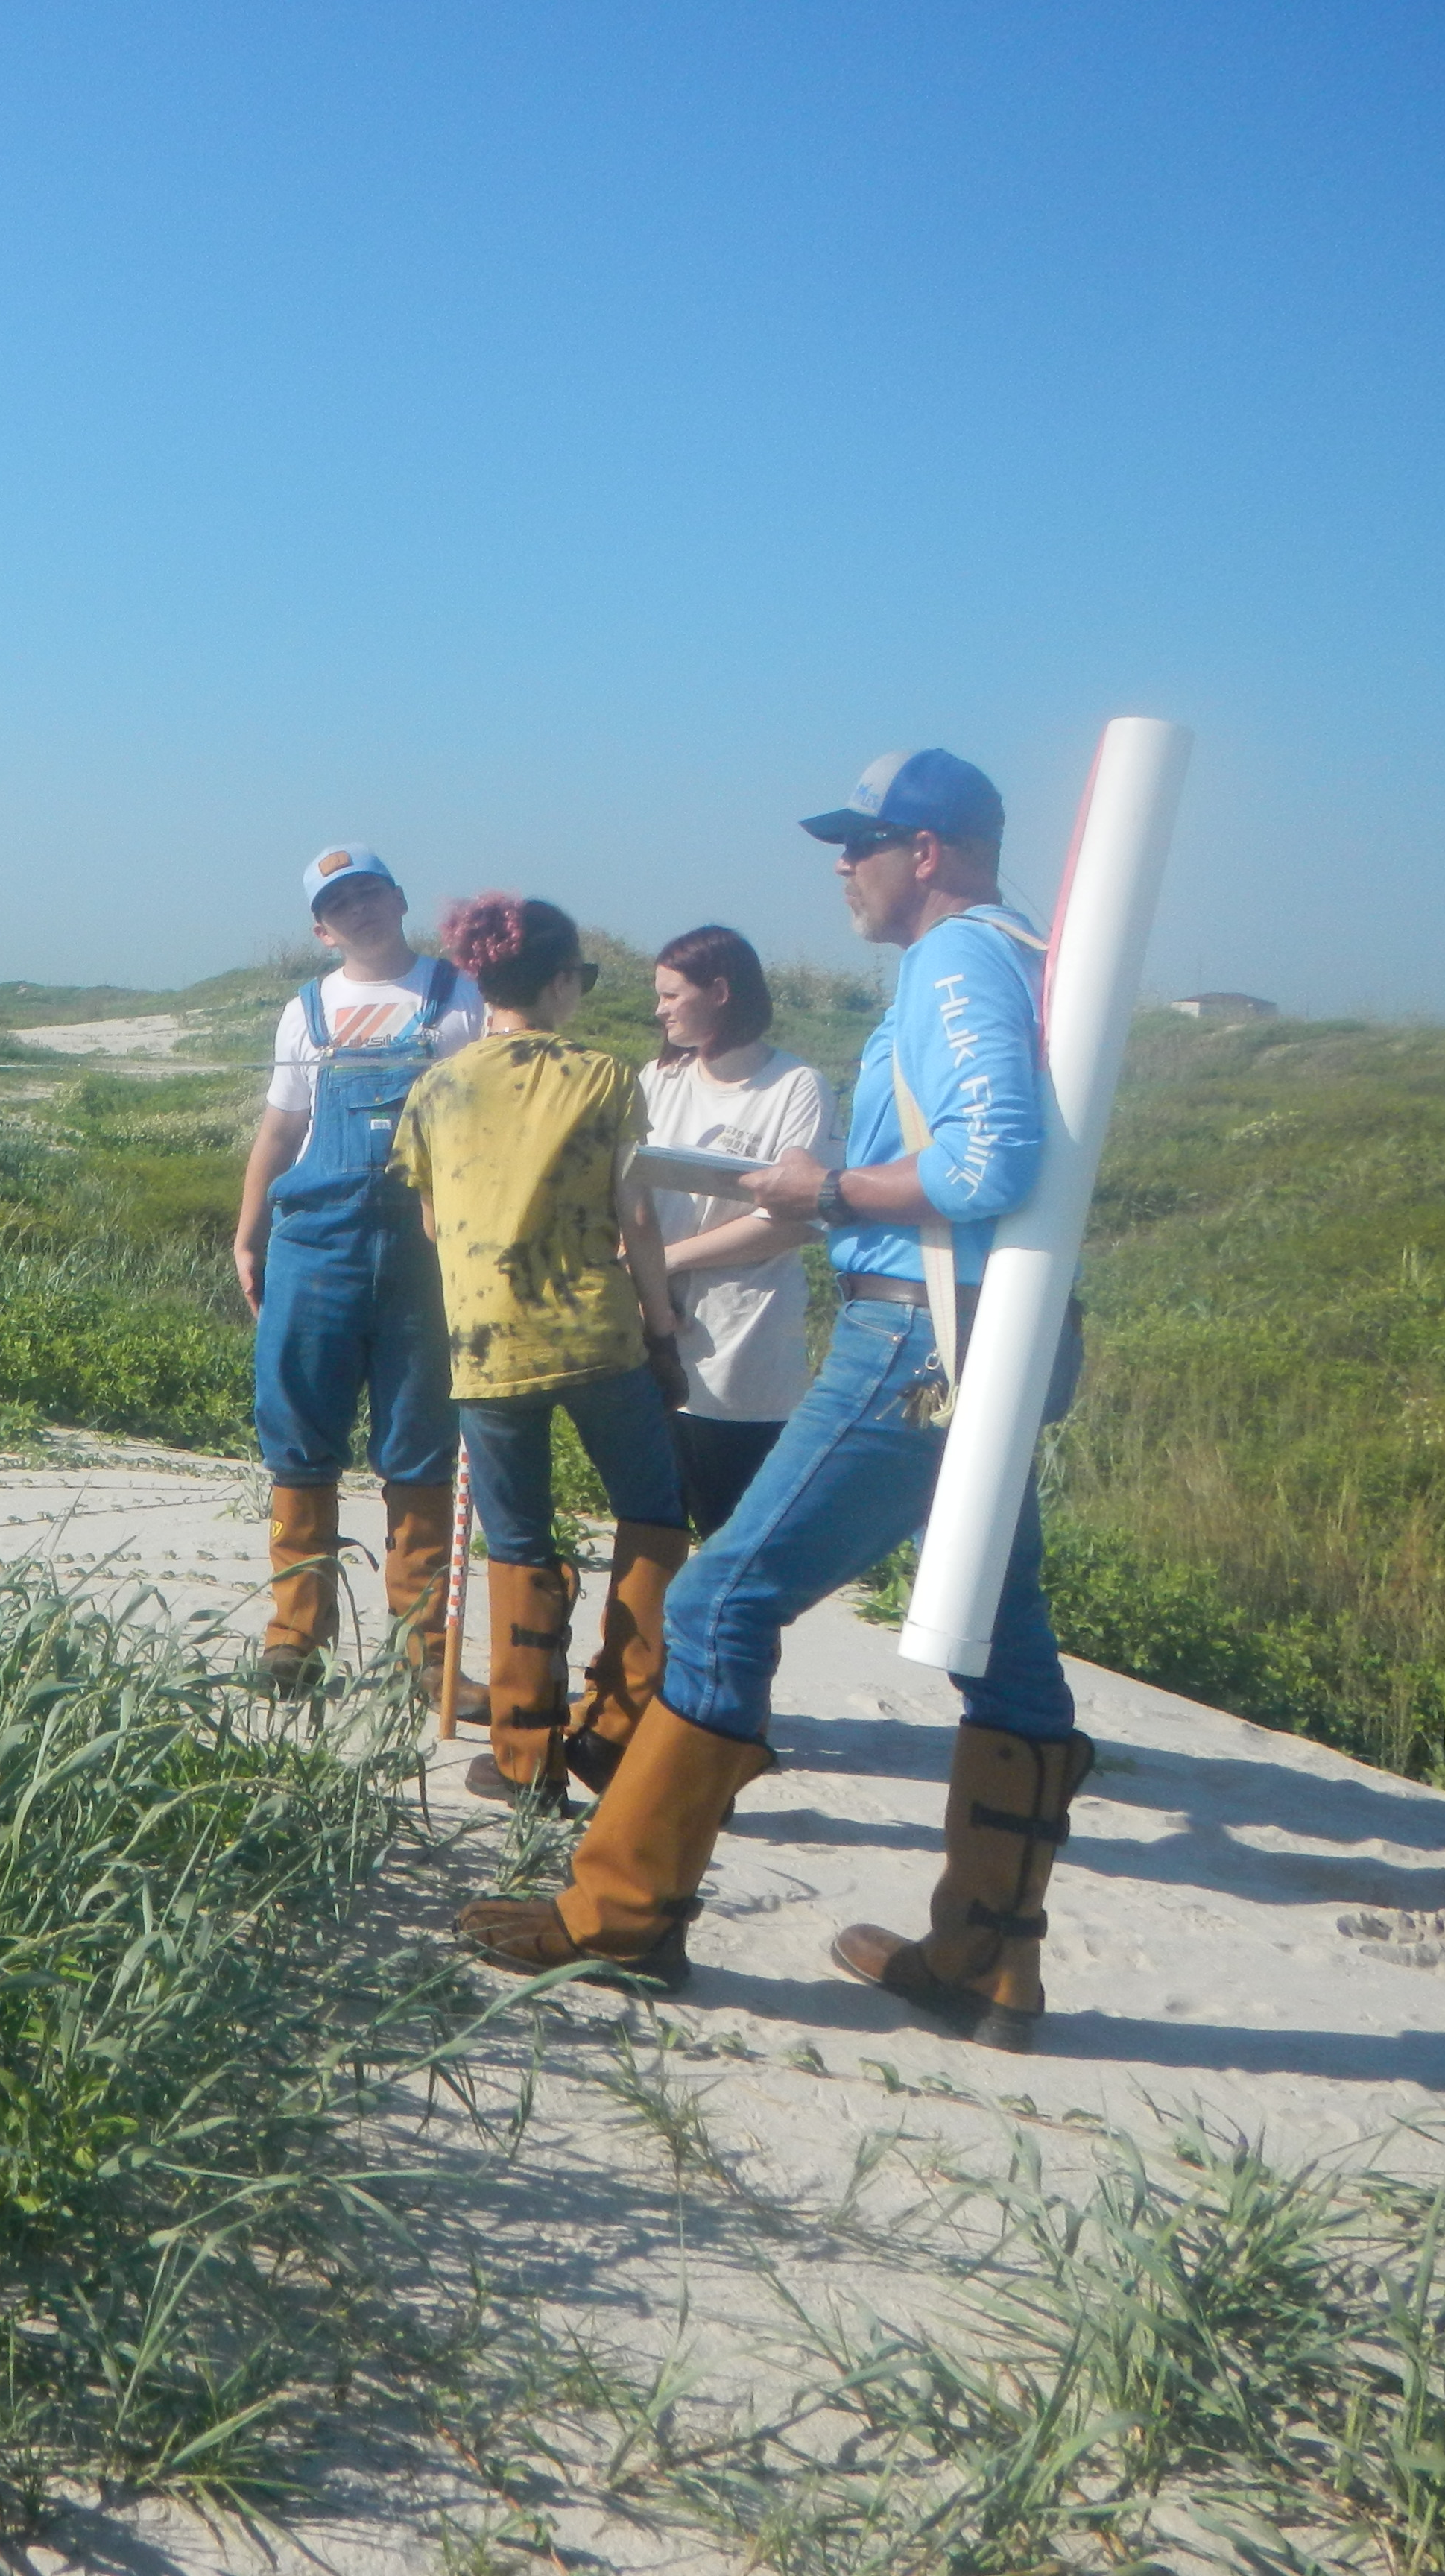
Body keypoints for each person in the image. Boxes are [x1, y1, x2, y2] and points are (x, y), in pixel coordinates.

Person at [462, 751, 1093, 2052]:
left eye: (857, 841)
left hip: (917, 1332)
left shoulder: (955, 959)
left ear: (924, 848)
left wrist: (827, 1195)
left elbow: (987, 1157)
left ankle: (623, 1918)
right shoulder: (1021, 950)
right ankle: (986, 1964)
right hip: (995, 1335)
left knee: (715, 1594)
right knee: (999, 1636)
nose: (838, 865)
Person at [387, 895, 689, 1808]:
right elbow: (635, 1216)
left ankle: (524, 1755)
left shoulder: (436, 1087)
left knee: (518, 1542)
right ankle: (623, 1725)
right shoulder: (605, 1077)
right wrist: (663, 1331)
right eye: (582, 980)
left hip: (487, 1345)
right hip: (595, 1332)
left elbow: (435, 1219)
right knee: (651, 1516)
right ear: (559, 982)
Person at [233, 846, 485, 1702]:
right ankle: (294, 1642)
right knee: (299, 1438)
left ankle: (423, 1653)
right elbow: (278, 1132)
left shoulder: (461, 999)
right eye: (340, 903)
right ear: (320, 927)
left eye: (371, 891)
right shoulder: (305, 1012)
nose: (360, 909)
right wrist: (248, 1232)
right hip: (318, 1246)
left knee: (422, 1443)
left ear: (399, 897)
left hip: (429, 1252)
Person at [639, 928, 831, 1535]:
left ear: (720, 991)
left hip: (742, 1349)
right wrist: (645, 1283)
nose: (659, 1010)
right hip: (652, 1338)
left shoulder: (795, 1087)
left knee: (729, 1542)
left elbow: (789, 1222)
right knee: (651, 1532)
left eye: (672, 995)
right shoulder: (657, 1081)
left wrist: (664, 1261)